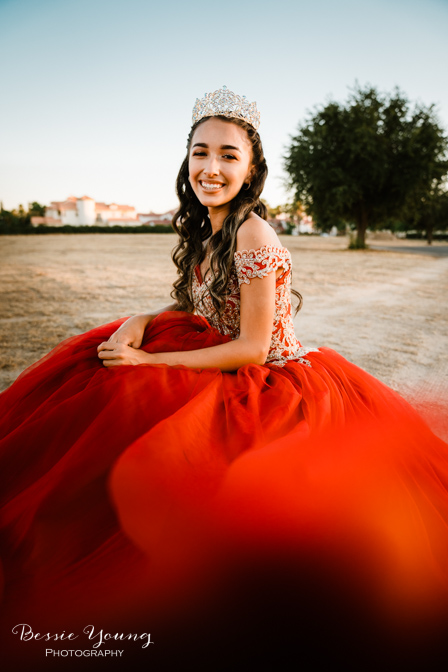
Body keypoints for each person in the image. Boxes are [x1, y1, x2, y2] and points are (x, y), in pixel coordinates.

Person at [1, 86, 448, 669]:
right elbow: (198, 312)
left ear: (252, 167)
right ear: (186, 161)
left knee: (145, 408)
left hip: (270, 379)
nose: (211, 168)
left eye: (229, 156)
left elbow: (254, 350)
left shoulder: (254, 234)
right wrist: (141, 322)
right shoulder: (208, 228)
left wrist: (153, 363)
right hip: (221, 352)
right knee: (98, 373)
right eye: (200, 152)